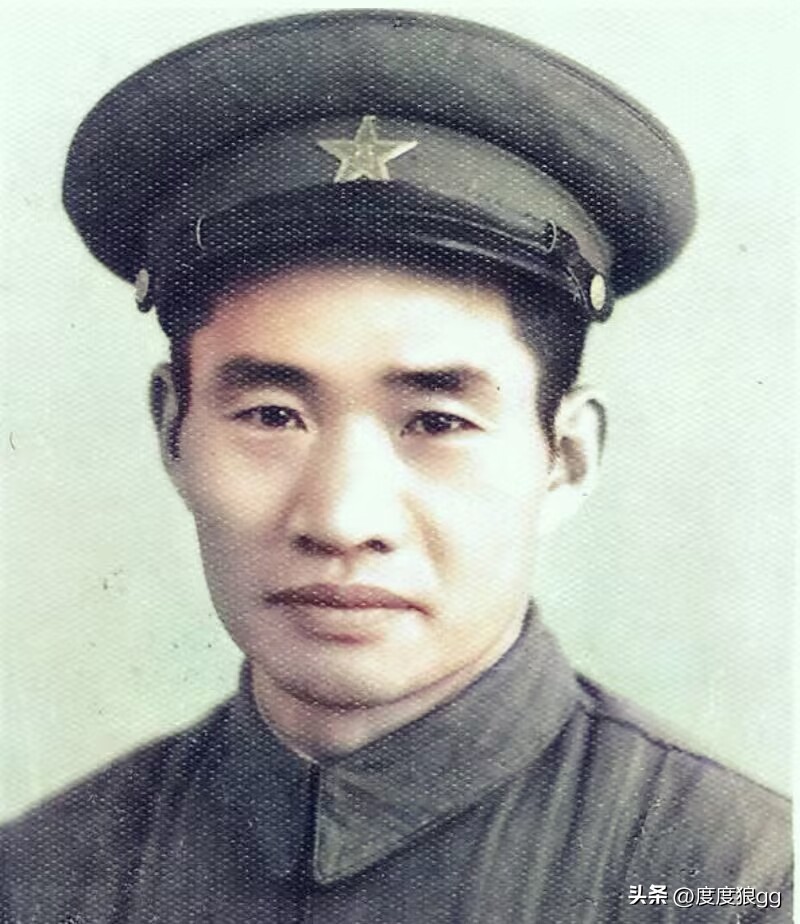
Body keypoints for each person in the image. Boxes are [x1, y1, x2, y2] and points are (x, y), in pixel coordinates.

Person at [0, 10, 791, 922]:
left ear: (566, 458)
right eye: (271, 415)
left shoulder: (734, 883)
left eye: (438, 421)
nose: (343, 519)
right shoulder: (43, 879)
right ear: (173, 432)